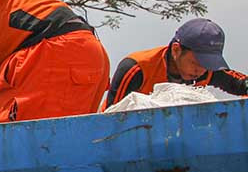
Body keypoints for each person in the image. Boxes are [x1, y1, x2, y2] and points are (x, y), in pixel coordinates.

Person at [104, 18, 248, 108]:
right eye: (196, 62)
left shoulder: (206, 70)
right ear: (176, 49)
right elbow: (112, 115)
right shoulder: (137, 68)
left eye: (207, 64)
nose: (200, 70)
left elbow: (241, 84)